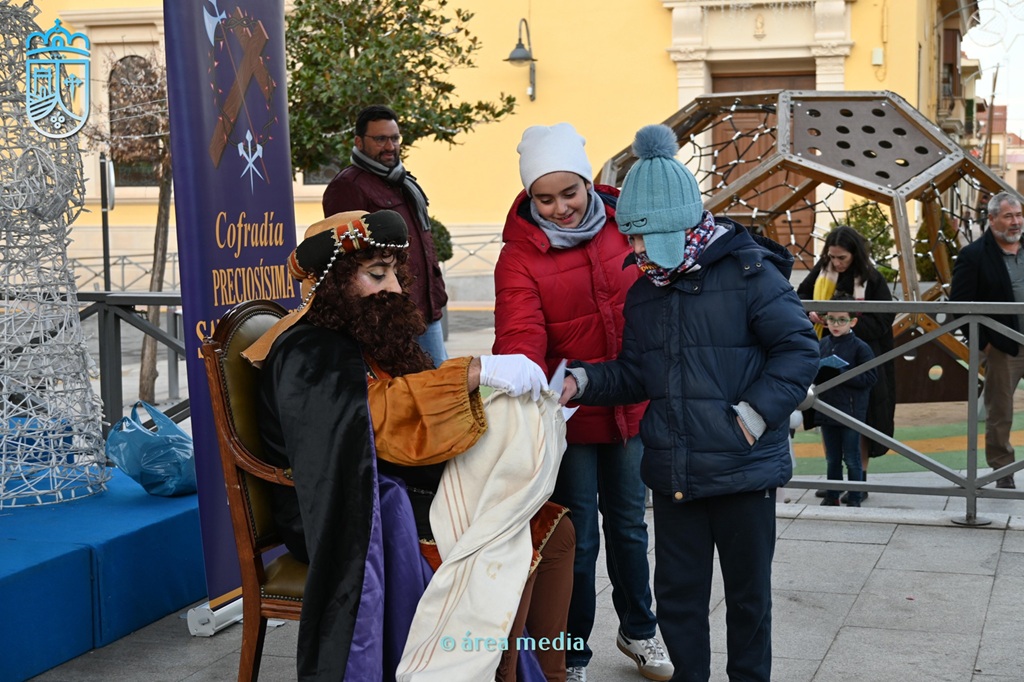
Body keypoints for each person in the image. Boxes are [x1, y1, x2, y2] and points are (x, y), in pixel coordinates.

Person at [243, 209, 574, 681]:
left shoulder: (369, 332)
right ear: (333, 282)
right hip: (344, 510)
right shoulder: (310, 350)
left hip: (398, 486)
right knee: (505, 541)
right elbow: (377, 416)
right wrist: (476, 371)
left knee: (556, 532)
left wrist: (499, 401)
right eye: (377, 274)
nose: (395, 289)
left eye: (396, 274)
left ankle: (541, 672)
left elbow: (416, 399)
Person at [560, 124, 819, 682]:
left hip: (743, 469)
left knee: (748, 601)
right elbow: (638, 373)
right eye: (629, 238)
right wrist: (582, 382)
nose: (632, 251)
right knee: (678, 601)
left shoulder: (752, 275)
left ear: (673, 227)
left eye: (639, 237)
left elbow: (799, 350)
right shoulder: (645, 292)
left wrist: (752, 416)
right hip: (674, 472)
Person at [492, 123, 670, 682]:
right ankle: (570, 653)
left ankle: (639, 629)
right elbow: (520, 332)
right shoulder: (519, 256)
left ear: (589, 183)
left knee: (631, 527)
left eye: (569, 192)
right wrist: (524, 375)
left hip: (630, 405)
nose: (560, 208)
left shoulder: (625, 226)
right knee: (578, 539)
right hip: (566, 415)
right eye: (544, 199)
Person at [322, 105, 448, 366]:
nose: (390, 146)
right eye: (380, 139)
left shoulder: (402, 182)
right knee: (414, 386)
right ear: (359, 142)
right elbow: (348, 263)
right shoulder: (347, 186)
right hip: (390, 316)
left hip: (425, 308)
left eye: (394, 138)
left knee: (440, 382)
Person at [796, 225, 896, 501]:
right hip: (827, 356)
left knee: (861, 419)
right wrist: (814, 313)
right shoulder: (822, 270)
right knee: (826, 415)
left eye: (842, 258)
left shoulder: (872, 278)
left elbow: (883, 320)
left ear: (855, 254)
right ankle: (834, 480)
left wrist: (841, 320)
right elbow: (801, 296)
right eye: (832, 257)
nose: (837, 263)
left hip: (862, 357)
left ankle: (858, 481)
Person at [950, 191, 1024, 489]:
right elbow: (959, 306)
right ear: (992, 219)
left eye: (1018, 215)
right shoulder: (974, 255)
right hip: (1003, 347)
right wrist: (984, 345)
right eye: (1008, 216)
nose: (1016, 221)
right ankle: (1002, 471)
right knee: (1000, 412)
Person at [812, 295, 878, 507]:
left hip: (851, 411)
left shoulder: (860, 347)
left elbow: (870, 378)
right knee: (832, 458)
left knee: (851, 457)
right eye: (831, 319)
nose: (836, 324)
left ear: (853, 321)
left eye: (842, 320)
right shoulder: (822, 344)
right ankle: (832, 496)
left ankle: (855, 497)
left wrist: (842, 372)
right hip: (827, 409)